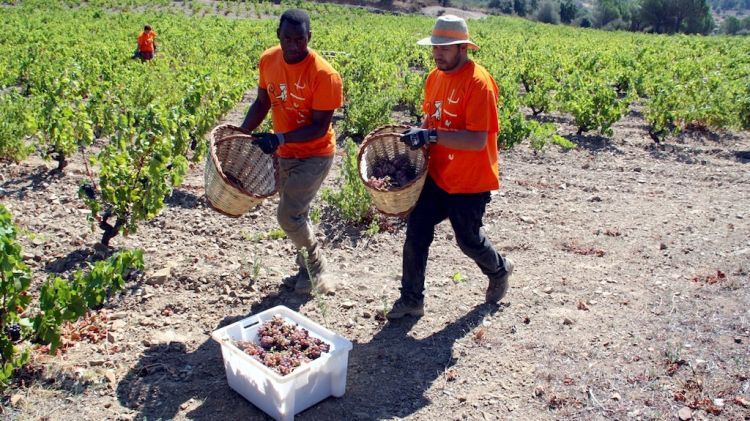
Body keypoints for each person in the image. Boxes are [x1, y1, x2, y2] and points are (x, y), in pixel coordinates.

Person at [387, 15, 514, 320]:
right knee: (416, 230)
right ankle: (411, 299)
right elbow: (431, 120)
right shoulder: (434, 78)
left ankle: (499, 269)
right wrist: (419, 132)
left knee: (468, 240)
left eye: (445, 48)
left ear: (462, 48)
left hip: (470, 181)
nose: (438, 53)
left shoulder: (478, 83)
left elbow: (476, 140)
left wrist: (430, 135)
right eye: (436, 47)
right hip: (438, 174)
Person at [239, 9, 343, 295]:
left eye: (300, 39)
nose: (294, 45)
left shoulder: (325, 75)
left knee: (288, 215)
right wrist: (242, 132)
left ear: (309, 37)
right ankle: (306, 269)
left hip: (315, 153)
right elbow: (262, 103)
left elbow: (320, 127)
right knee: (297, 212)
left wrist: (279, 137)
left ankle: (316, 265)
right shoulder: (268, 60)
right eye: (288, 38)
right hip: (286, 152)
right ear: (279, 36)